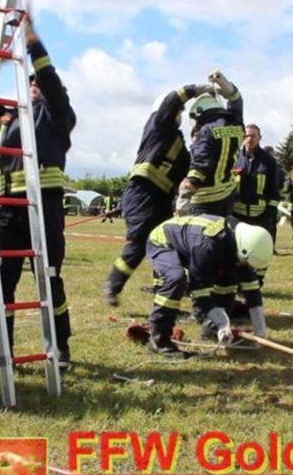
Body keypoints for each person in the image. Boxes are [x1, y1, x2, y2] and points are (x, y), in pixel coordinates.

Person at [0, 13, 76, 371]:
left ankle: (60, 348)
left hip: (44, 208)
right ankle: (1, 352)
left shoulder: (58, 113)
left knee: (49, 280)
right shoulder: (11, 117)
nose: (34, 85)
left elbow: (49, 77)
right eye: (30, 82)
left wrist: (31, 41)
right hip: (7, 210)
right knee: (2, 281)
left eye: (38, 82)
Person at [101, 81, 212, 306]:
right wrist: (201, 89)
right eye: (179, 111)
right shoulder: (158, 123)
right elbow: (175, 97)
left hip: (160, 198)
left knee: (165, 243)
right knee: (139, 242)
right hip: (144, 191)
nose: (180, 114)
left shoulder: (178, 140)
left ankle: (165, 290)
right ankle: (113, 284)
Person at [138, 214, 273, 358]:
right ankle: (159, 339)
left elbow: (252, 291)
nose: (245, 268)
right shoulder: (206, 245)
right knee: (175, 279)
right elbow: (200, 292)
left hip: (196, 245)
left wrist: (260, 331)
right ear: (242, 252)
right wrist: (223, 322)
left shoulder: (242, 244)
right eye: (246, 264)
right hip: (163, 241)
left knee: (229, 281)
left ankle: (212, 330)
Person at [178, 70, 244, 217]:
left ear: (201, 112)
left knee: (204, 237)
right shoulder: (236, 124)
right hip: (228, 195)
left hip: (205, 199)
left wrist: (188, 187)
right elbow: (236, 98)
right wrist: (222, 81)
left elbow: (200, 164)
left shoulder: (206, 131)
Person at [232, 124, 280, 242]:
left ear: (259, 138)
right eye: (246, 135)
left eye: (253, 136)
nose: (249, 139)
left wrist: (270, 213)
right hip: (236, 215)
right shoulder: (234, 157)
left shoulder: (269, 161)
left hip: (260, 217)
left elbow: (274, 190)